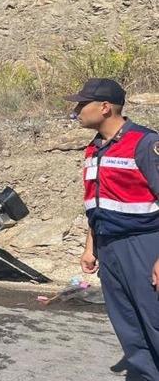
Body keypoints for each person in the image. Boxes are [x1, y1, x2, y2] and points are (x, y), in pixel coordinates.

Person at [68, 78, 159, 380]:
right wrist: (90, 245)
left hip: (144, 245)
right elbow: (97, 202)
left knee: (154, 320)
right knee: (128, 324)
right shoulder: (93, 150)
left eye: (83, 104)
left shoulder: (145, 144)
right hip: (109, 248)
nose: (77, 110)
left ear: (105, 107)